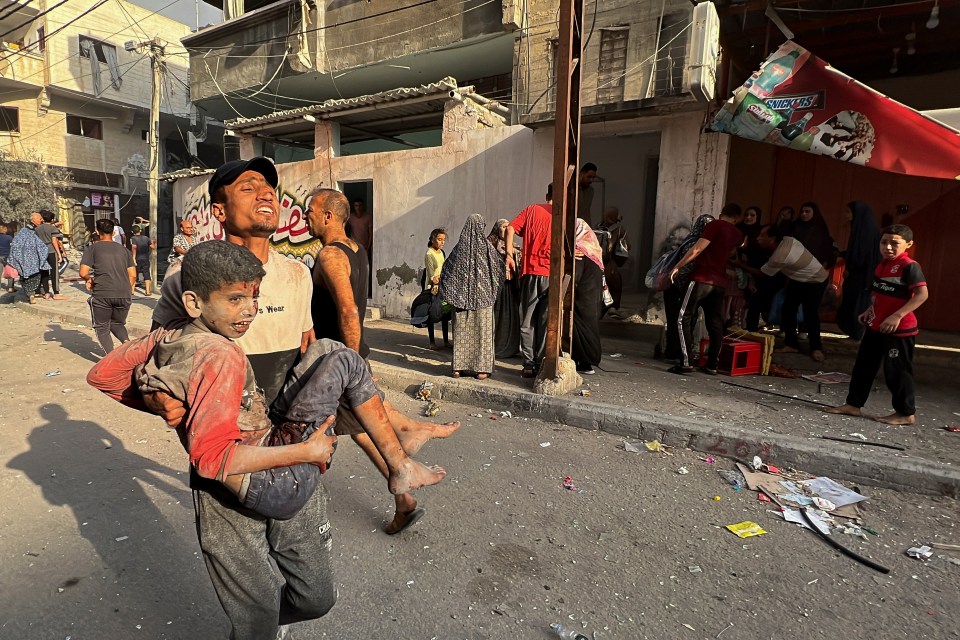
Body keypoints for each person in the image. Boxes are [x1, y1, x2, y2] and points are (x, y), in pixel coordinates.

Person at [144, 157, 447, 637]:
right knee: (252, 615)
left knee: (315, 596)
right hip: (230, 463)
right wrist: (163, 401)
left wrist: (325, 424)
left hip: (290, 453)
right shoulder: (189, 277)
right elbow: (154, 359)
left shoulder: (296, 274)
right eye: (248, 186)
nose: (266, 192)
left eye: (270, 186)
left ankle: (267, 620)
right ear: (219, 210)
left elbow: (308, 356)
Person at [306, 187, 459, 535]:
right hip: (353, 352)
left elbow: (347, 309)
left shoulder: (330, 255)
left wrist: (352, 363)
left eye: (310, 210)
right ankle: (406, 478)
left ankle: (407, 460)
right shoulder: (357, 250)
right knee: (361, 428)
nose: (306, 216)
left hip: (340, 358)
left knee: (358, 427)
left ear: (329, 216)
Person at [825, 225, 928, 426]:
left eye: (894, 243)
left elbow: (922, 295)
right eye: (884, 242)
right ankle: (853, 405)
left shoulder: (909, 266)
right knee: (863, 367)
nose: (888, 247)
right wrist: (868, 313)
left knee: (897, 372)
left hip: (899, 330)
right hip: (876, 326)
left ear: (908, 245)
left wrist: (897, 316)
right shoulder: (881, 265)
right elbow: (880, 295)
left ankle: (906, 413)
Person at [668, 204, 744, 375]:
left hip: (701, 279)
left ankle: (686, 362)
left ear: (720, 214)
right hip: (719, 284)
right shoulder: (738, 234)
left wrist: (678, 266)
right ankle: (712, 365)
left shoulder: (714, 225)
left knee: (682, 317)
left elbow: (697, 248)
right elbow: (735, 250)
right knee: (715, 323)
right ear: (737, 218)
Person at [439, 213, 505, 380]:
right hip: (484, 300)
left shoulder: (458, 249)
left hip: (460, 301)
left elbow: (446, 271)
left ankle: (458, 369)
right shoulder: (487, 248)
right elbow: (499, 270)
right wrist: (492, 290)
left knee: (462, 332)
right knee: (482, 333)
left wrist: (453, 293)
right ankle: (481, 369)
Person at [754, 224, 830, 362]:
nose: (758, 238)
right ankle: (791, 344)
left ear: (772, 239)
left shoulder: (780, 255)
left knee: (810, 313)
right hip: (799, 279)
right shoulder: (787, 239)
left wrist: (737, 264)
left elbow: (762, 273)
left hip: (816, 280)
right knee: (788, 308)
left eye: (762, 236)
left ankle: (816, 348)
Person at [506, 184, 553, 378]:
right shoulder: (564, 216)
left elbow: (510, 228)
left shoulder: (532, 210)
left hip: (531, 272)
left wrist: (509, 255)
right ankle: (541, 361)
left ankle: (528, 363)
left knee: (527, 321)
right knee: (544, 321)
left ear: (547, 195)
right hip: (552, 275)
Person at [661, 214, 714, 361]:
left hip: (675, 287)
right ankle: (680, 353)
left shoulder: (688, 240)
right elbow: (687, 269)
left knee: (675, 321)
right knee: (684, 321)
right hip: (682, 288)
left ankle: (673, 351)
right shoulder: (697, 244)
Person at [80, 219, 135, 354]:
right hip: (124, 293)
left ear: (97, 232)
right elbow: (133, 275)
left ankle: (111, 358)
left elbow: (83, 272)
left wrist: (89, 279)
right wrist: (127, 289)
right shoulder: (124, 250)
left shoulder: (92, 248)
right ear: (113, 231)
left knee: (102, 327)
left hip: (103, 293)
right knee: (117, 324)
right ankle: (127, 344)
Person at [836, 200, 882, 341]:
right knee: (852, 301)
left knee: (858, 303)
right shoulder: (861, 227)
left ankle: (857, 332)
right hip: (858, 273)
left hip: (862, 275)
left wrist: (851, 266)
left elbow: (861, 255)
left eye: (848, 212)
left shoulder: (866, 229)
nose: (846, 215)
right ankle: (853, 332)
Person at [570, 218, 604, 374]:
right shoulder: (593, 251)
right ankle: (589, 361)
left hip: (582, 299)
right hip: (592, 298)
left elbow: (575, 278)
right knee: (591, 327)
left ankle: (585, 363)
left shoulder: (580, 251)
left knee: (581, 329)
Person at [488, 218, 521, 358]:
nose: (506, 229)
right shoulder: (489, 244)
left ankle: (509, 347)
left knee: (510, 316)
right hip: (495, 288)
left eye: (509, 227)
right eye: (503, 227)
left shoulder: (513, 246)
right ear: (497, 228)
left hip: (510, 287)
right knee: (496, 316)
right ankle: (492, 346)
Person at [595, 206, 629, 315]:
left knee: (600, 287)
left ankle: (600, 310)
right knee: (616, 286)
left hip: (597, 264)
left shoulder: (597, 227)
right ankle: (613, 309)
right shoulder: (619, 228)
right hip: (610, 266)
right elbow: (629, 245)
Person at [8, 214, 49, 304]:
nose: (41, 220)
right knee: (32, 278)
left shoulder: (26, 232)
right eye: (40, 219)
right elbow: (41, 247)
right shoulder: (29, 232)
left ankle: (30, 295)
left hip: (27, 261)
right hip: (29, 262)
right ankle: (31, 295)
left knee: (26, 278)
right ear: (33, 220)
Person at [423, 227, 451, 350]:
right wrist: (439, 279)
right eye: (439, 240)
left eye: (443, 240)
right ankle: (432, 341)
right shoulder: (429, 254)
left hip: (442, 287)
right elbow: (431, 275)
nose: (442, 242)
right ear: (433, 239)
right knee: (432, 315)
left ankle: (445, 341)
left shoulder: (442, 253)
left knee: (444, 313)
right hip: (432, 289)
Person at [790, 201, 837, 269]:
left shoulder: (820, 227)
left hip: (815, 265)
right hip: (795, 264)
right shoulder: (795, 225)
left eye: (807, 211)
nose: (804, 214)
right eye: (802, 211)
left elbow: (826, 246)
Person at [35, 210, 65, 300]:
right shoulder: (52, 229)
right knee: (54, 272)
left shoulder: (37, 229)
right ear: (52, 219)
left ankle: (46, 292)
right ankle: (56, 293)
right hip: (51, 251)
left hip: (41, 251)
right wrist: (59, 254)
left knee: (44, 272)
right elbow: (54, 241)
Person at [128, 225, 156, 296]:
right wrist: (154, 242)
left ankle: (132, 291)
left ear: (132, 232)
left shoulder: (133, 238)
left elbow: (134, 248)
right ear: (140, 231)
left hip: (137, 258)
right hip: (145, 258)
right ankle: (148, 291)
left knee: (134, 274)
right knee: (146, 273)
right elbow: (152, 246)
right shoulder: (146, 238)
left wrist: (133, 258)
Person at [0, 223, 14, 293]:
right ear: (5, 230)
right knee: (10, 271)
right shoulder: (9, 237)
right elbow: (12, 247)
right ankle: (10, 288)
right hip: (7, 256)